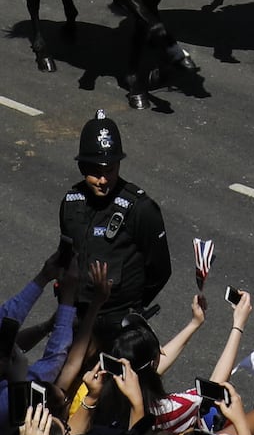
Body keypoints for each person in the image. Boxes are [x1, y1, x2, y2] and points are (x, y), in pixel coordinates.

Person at [59, 109, 172, 327]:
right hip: (75, 317)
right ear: (82, 167)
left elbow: (160, 270)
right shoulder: (71, 203)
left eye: (109, 170)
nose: (103, 180)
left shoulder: (141, 208)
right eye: (96, 172)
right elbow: (65, 253)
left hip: (116, 322)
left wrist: (131, 305)